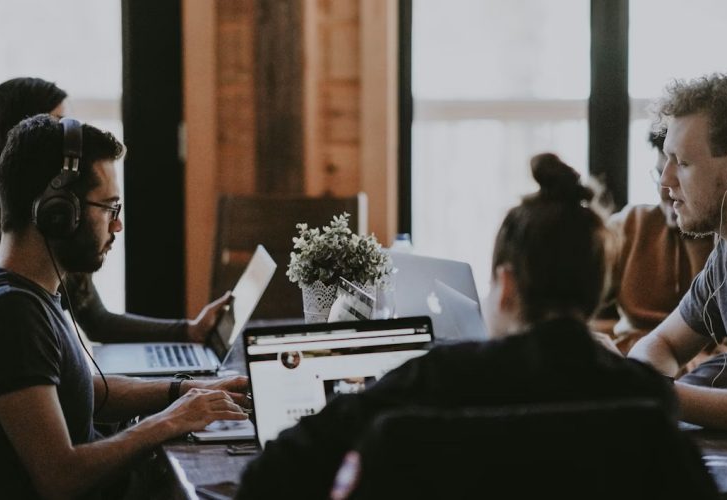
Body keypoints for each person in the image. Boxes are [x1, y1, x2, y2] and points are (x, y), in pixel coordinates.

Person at [236, 154, 678, 498]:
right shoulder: (646, 396)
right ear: (597, 287)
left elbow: (269, 475)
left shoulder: (435, 380)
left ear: (505, 286)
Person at [0, 114, 250, 498]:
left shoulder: (11, 288)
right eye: (110, 208)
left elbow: (83, 390)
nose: (117, 227)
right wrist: (169, 422)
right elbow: (59, 477)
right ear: (59, 213)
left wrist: (185, 391)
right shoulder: (12, 315)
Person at [0, 77, 228, 345]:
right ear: (23, 134)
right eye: (58, 125)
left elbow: (98, 322)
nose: (73, 142)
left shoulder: (64, 217)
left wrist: (189, 331)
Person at [628, 71, 727, 442]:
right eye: (667, 161)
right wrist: (647, 384)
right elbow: (660, 343)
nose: (665, 182)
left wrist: (659, 394)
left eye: (683, 163)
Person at [595, 127, 727, 388]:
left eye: (682, 170)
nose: (665, 188)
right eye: (659, 173)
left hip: (706, 373)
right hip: (640, 360)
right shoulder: (630, 225)